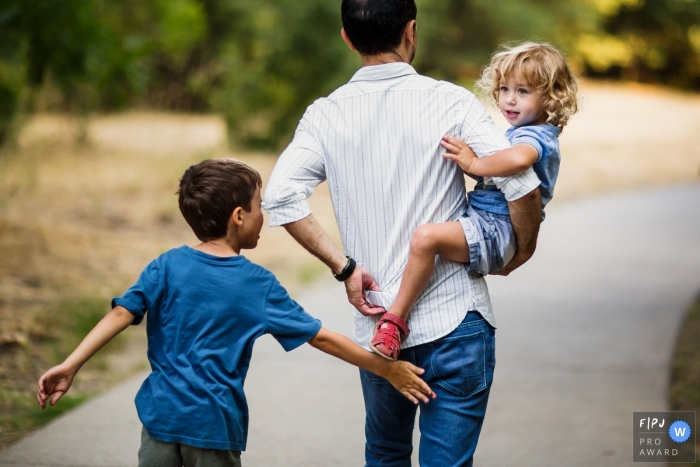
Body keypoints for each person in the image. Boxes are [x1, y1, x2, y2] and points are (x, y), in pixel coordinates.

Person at [262, 1, 543, 465]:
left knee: (387, 454)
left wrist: (344, 267)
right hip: (457, 320)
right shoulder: (451, 102)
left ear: (347, 39)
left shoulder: (324, 115)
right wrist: (519, 251)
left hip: (379, 331)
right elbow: (523, 184)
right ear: (411, 32)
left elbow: (280, 197)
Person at [36, 158, 435, 467]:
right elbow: (321, 337)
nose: (264, 215)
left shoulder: (165, 266)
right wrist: (385, 368)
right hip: (212, 429)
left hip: (159, 423)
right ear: (239, 217)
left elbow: (120, 315)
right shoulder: (255, 284)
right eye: (259, 205)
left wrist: (70, 365)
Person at [370, 42, 579, 361]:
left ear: (550, 97)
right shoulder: (523, 132)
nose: (509, 98)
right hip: (485, 224)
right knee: (422, 238)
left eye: (523, 91)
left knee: (425, 238)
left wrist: (473, 164)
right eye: (505, 88)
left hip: (495, 231)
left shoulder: (534, 137)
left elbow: (521, 159)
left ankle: (395, 321)